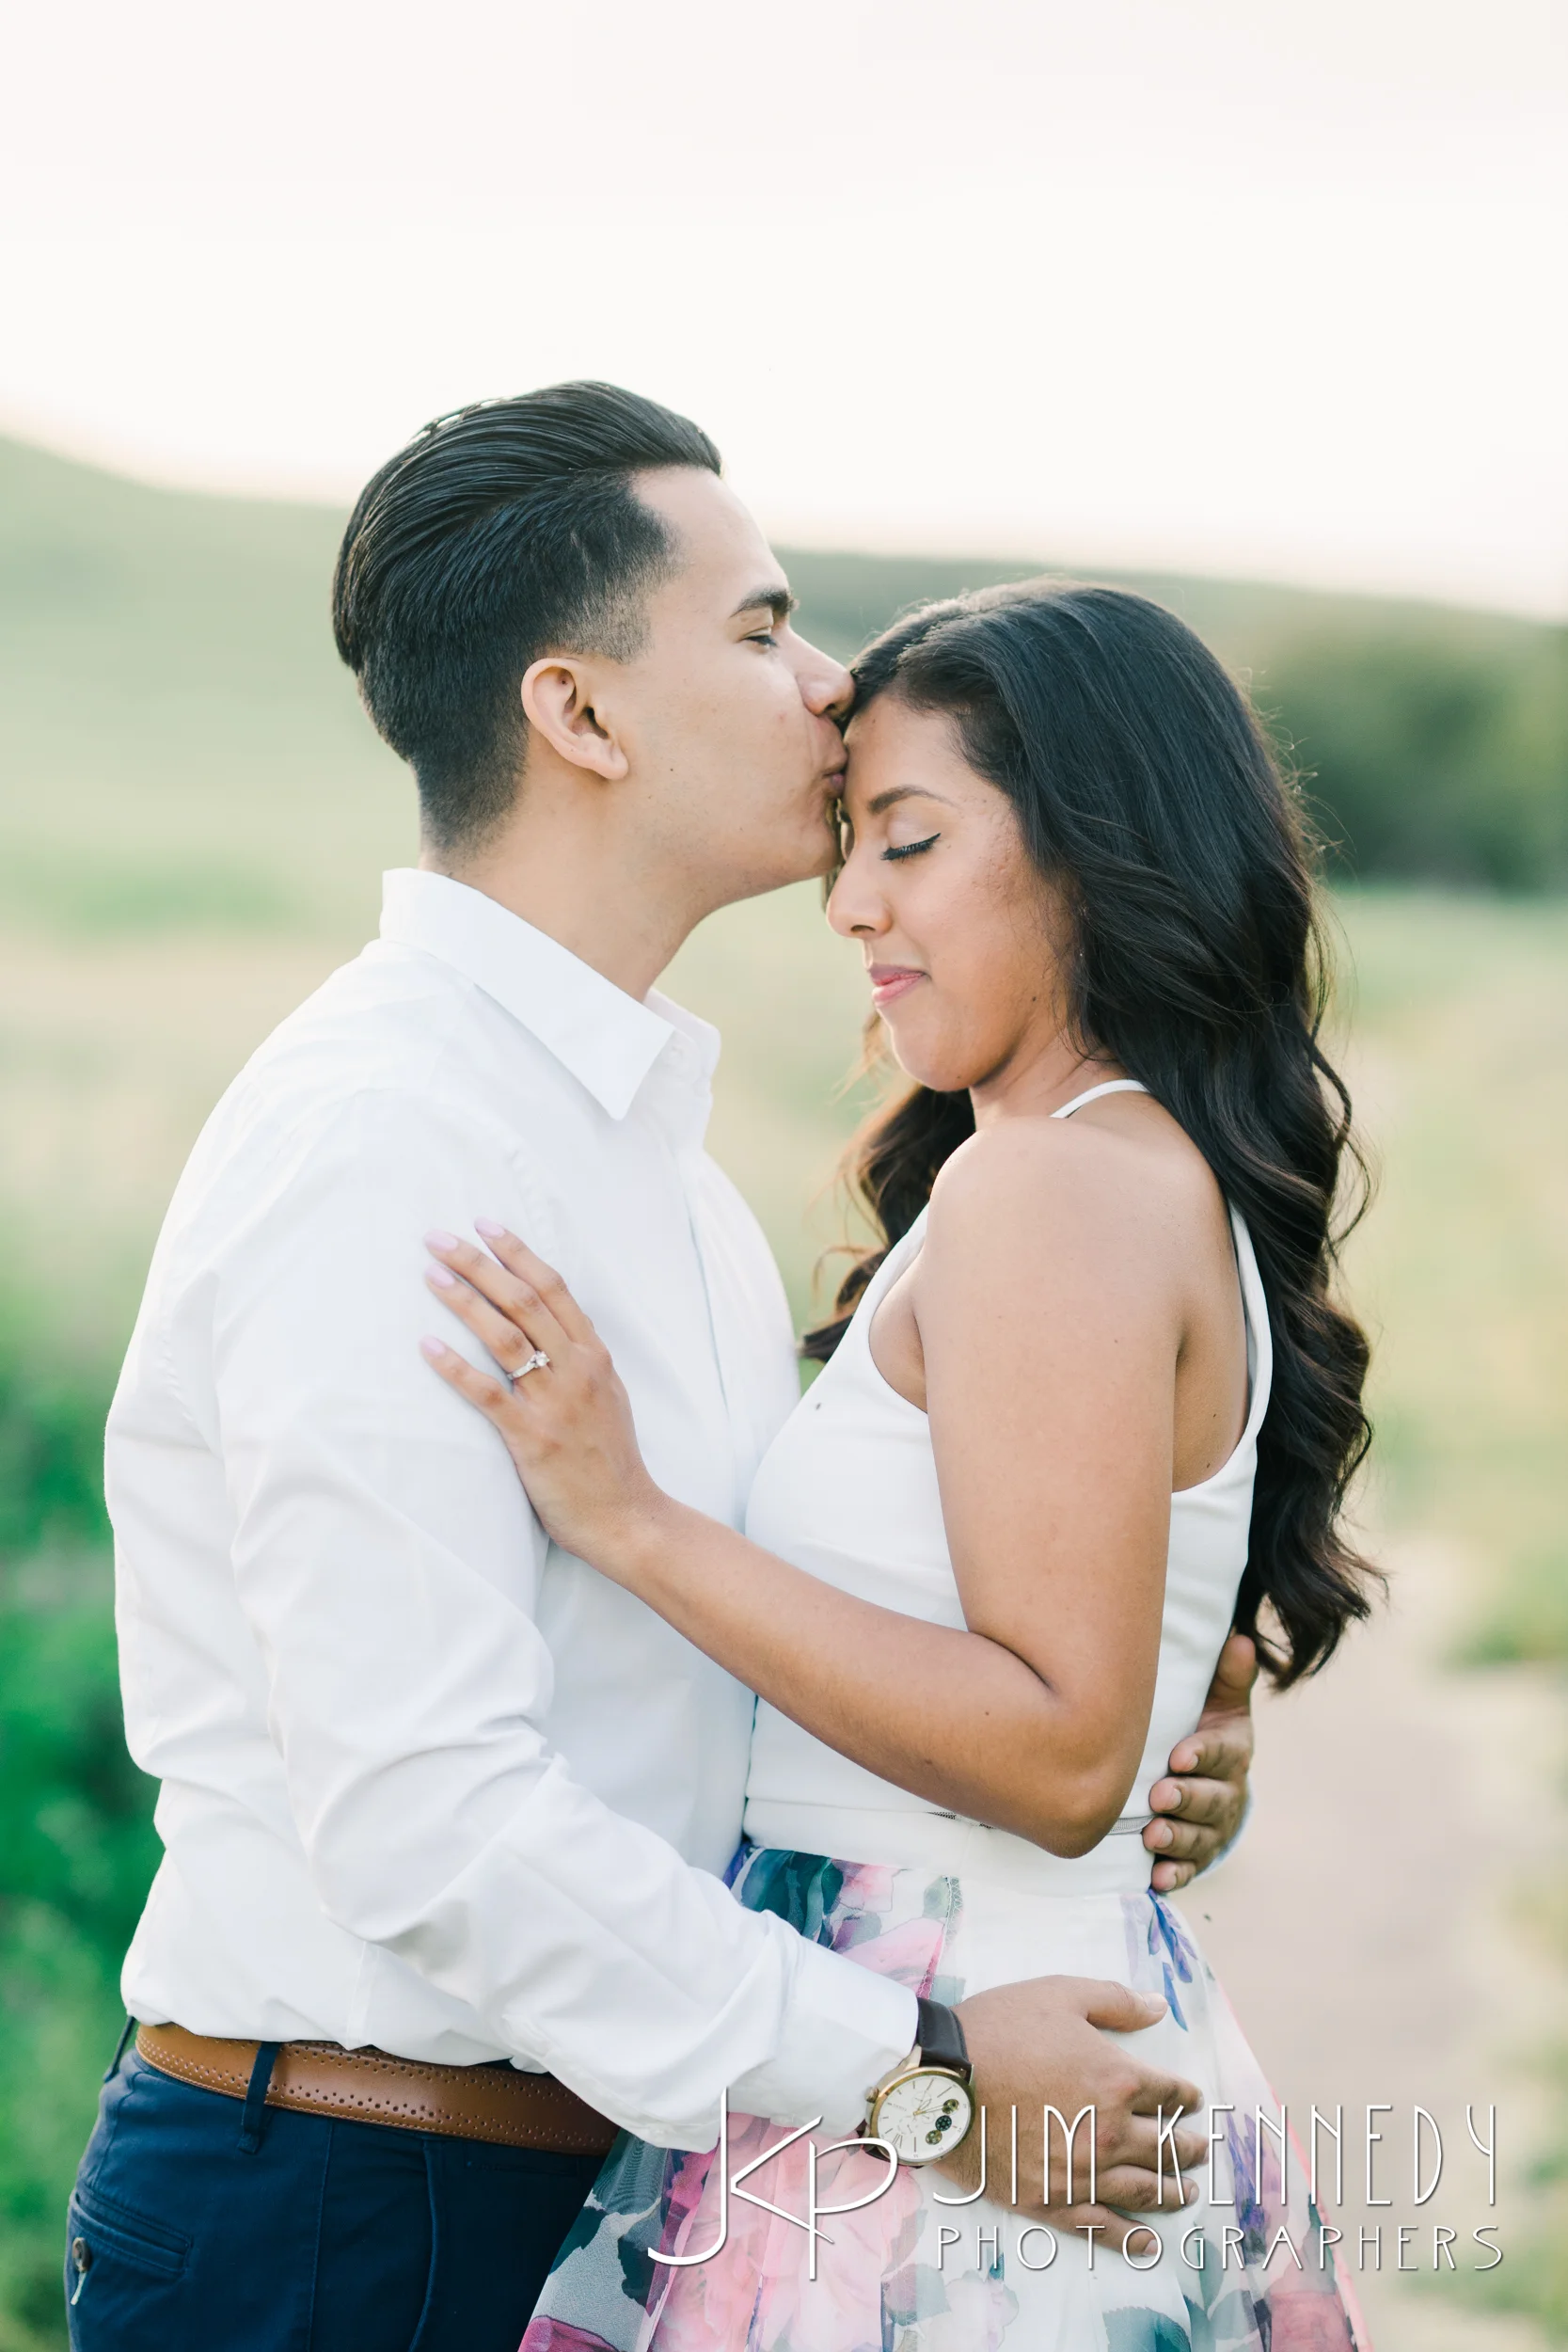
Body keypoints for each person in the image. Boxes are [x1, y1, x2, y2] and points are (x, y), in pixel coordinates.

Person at [68, 388, 1253, 2352]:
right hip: (362, 2204)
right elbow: (429, 1816)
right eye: (761, 627)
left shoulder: (656, 1166)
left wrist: (1122, 1750)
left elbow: (725, 1668)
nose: (827, 685)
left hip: (639, 2174)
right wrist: (926, 2082)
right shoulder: (391, 1141)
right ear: (581, 714)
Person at [417, 578, 1377, 2348]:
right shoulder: (1097, 1167)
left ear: (1099, 848)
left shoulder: (1054, 1182)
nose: (850, 901)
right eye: (851, 842)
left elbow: (1058, 1751)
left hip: (967, 2077)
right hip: (976, 2029)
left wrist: (630, 1521)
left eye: (911, 841)